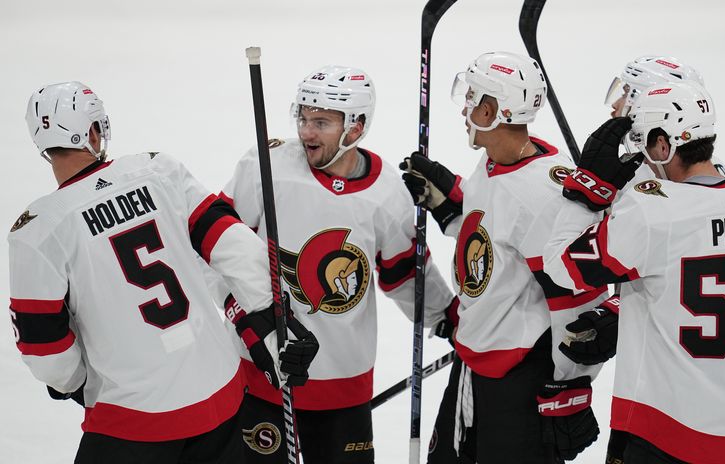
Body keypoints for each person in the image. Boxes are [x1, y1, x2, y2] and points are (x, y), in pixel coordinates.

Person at [9, 81, 317, 464]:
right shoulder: (158, 170)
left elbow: (45, 351)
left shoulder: (36, 232)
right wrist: (273, 319)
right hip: (220, 396)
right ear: (92, 131)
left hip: (131, 418)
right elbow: (234, 245)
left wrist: (76, 383)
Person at [543, 80, 725, 463]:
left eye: (640, 144)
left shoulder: (651, 213)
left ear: (663, 146)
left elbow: (561, 264)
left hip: (669, 438)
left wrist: (586, 191)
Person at [217, 65, 458, 464]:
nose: (306, 132)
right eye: (303, 118)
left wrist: (446, 315)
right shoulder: (266, 167)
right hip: (262, 379)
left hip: (346, 386)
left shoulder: (387, 192)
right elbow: (214, 247)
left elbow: (401, 273)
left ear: (356, 127)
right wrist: (248, 321)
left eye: (322, 122)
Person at [401, 51, 607, 464]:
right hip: (476, 363)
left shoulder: (545, 192)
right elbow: (495, 236)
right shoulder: (494, 160)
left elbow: (580, 296)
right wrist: (450, 202)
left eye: (472, 99)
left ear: (493, 110)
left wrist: (570, 385)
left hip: (521, 380)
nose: (464, 108)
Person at [561, 56, 725, 463]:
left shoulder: (662, 194)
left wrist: (586, 193)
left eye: (625, 95)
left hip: (668, 409)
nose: (614, 107)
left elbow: (567, 262)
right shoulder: (688, 177)